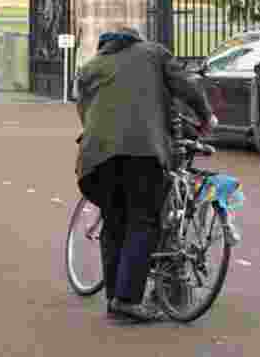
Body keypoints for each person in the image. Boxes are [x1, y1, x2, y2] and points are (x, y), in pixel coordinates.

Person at [75, 26, 217, 323]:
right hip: (143, 153)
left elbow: (85, 111)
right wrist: (206, 116)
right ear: (136, 41)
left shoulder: (91, 67)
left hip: (95, 160)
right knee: (143, 221)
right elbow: (186, 86)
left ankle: (115, 298)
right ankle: (127, 300)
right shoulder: (154, 53)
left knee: (115, 223)